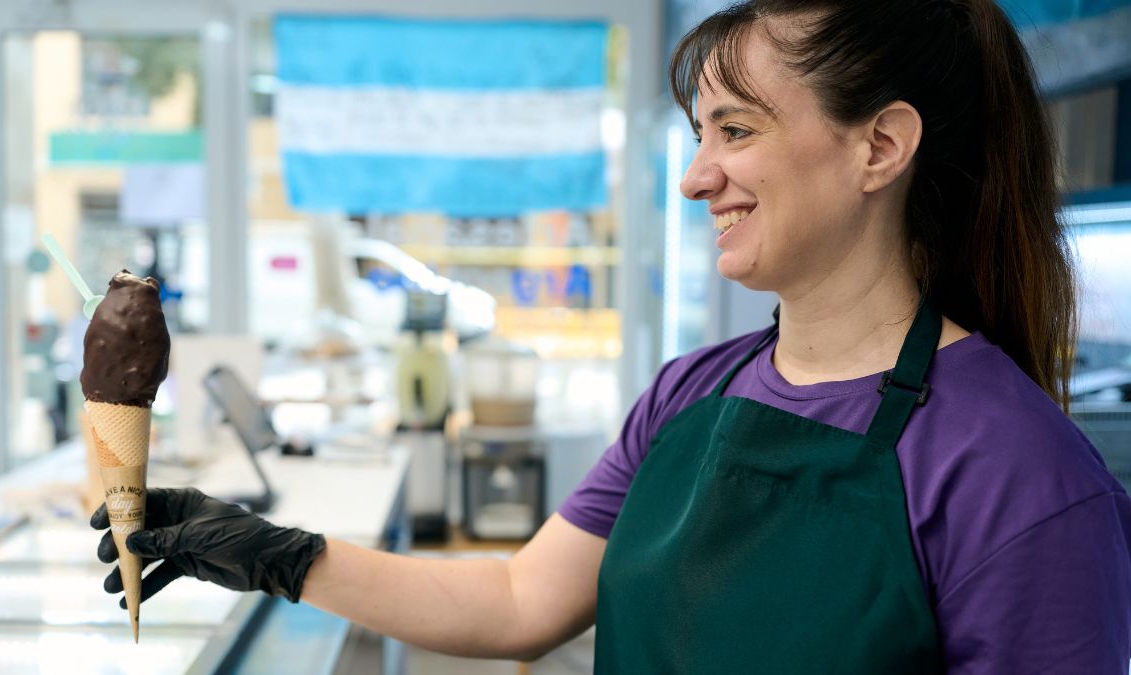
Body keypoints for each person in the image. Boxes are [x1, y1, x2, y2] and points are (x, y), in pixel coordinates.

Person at [93, 0, 1131, 671]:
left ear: (881, 146)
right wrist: (275, 554)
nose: (695, 176)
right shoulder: (691, 398)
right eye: (698, 137)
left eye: (737, 130)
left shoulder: (1019, 474)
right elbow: (515, 599)